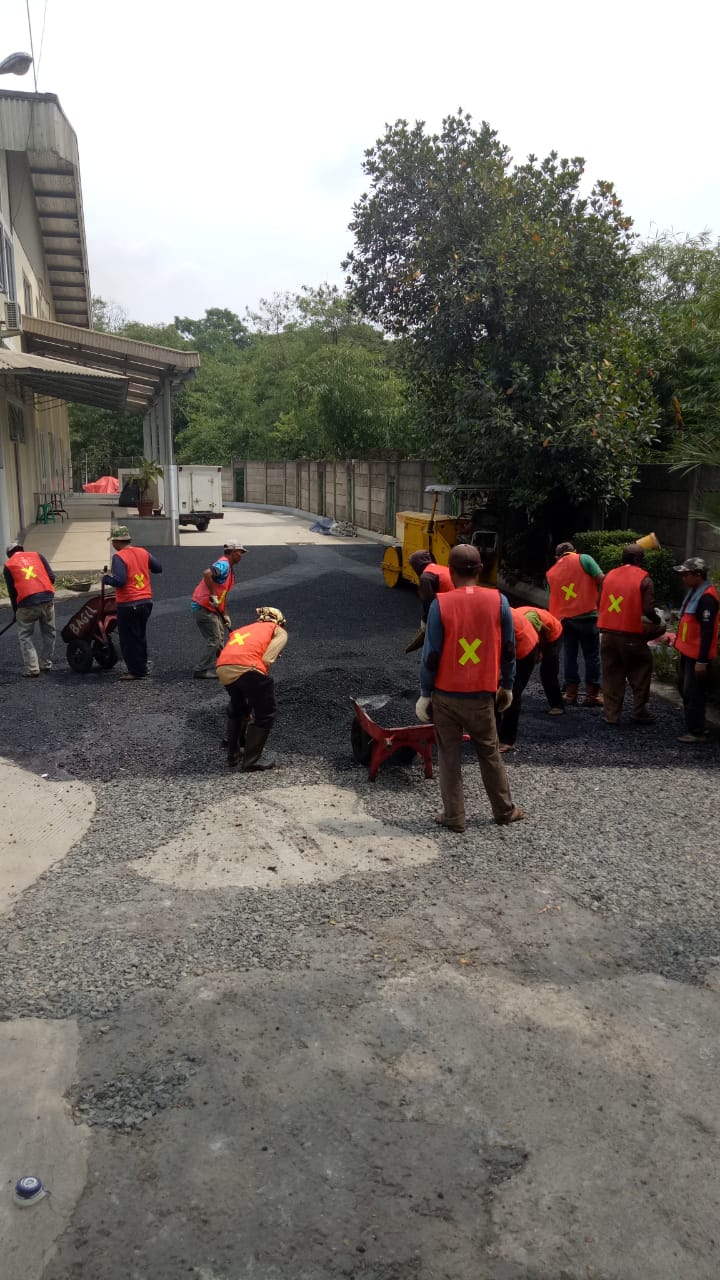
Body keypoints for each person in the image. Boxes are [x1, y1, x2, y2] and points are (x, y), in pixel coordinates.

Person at [416, 544, 524, 830]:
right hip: (481, 696)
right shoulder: (498, 601)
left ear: (450, 571)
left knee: (449, 756)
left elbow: (431, 655)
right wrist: (508, 685)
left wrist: (425, 693)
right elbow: (509, 648)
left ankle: (454, 816)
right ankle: (504, 811)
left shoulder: (440, 604)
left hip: (445, 696)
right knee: (489, 752)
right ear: (480, 570)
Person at [216, 606, 288, 771]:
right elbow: (268, 658)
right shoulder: (278, 630)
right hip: (248, 668)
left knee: (239, 707)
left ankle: (233, 755)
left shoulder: (244, 629)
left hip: (223, 668)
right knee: (266, 712)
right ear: (278, 621)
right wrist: (274, 653)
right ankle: (251, 760)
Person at [598, 544, 663, 725]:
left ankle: (611, 715)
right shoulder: (644, 579)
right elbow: (648, 609)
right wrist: (657, 621)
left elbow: (598, 601)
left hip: (608, 634)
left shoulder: (609, 576)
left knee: (611, 674)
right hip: (632, 635)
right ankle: (639, 712)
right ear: (638, 560)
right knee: (640, 671)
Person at [545, 540, 605, 707]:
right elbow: (602, 580)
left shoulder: (551, 572)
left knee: (569, 656)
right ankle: (592, 696)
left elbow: (553, 597)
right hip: (588, 616)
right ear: (574, 551)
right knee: (592, 656)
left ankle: (571, 694)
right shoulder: (584, 559)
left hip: (566, 620)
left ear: (557, 557)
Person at [102, 525, 162, 680]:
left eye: (113, 542)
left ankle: (135, 671)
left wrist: (106, 578)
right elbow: (158, 568)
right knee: (139, 636)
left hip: (128, 603)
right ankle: (141, 667)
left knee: (128, 639)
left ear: (116, 541)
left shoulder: (119, 557)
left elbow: (120, 581)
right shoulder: (142, 552)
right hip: (146, 601)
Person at [673, 557, 718, 744]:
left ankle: (697, 730)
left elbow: (707, 632)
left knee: (693, 692)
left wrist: (702, 661)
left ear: (698, 575)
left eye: (686, 574)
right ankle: (697, 723)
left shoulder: (706, 598)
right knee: (684, 688)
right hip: (688, 651)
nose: (683, 578)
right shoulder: (694, 593)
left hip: (697, 655)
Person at [191, 541, 247, 679]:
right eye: (240, 552)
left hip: (212, 608)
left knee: (220, 637)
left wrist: (225, 614)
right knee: (215, 640)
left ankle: (224, 664)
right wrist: (212, 594)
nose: (241, 555)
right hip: (203, 607)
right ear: (232, 552)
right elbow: (207, 573)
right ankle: (200, 670)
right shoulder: (224, 564)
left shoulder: (229, 568)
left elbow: (222, 594)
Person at [3, 541, 56, 677]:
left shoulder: (9, 565)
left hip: (27, 603)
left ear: (9, 554)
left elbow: (13, 592)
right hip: (47, 599)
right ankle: (46, 663)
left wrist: (16, 612)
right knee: (49, 632)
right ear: (22, 549)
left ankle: (32, 668)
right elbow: (52, 577)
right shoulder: (38, 555)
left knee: (25, 636)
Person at [497, 607, 541, 752]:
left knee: (511, 691)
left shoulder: (497, 616)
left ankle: (507, 739)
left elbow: (508, 651)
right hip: (511, 641)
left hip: (524, 648)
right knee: (492, 689)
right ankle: (492, 733)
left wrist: (503, 676)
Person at [516, 605, 564, 715]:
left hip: (552, 634)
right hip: (534, 633)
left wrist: (541, 651)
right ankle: (513, 700)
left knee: (548, 672)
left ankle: (557, 705)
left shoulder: (529, 619)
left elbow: (546, 631)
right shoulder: (511, 621)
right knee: (520, 670)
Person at [405, 550, 455, 652]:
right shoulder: (441, 568)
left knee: (435, 640)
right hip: (460, 602)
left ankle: (433, 654)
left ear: (417, 565)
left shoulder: (425, 577)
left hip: (450, 608)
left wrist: (425, 622)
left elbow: (429, 602)